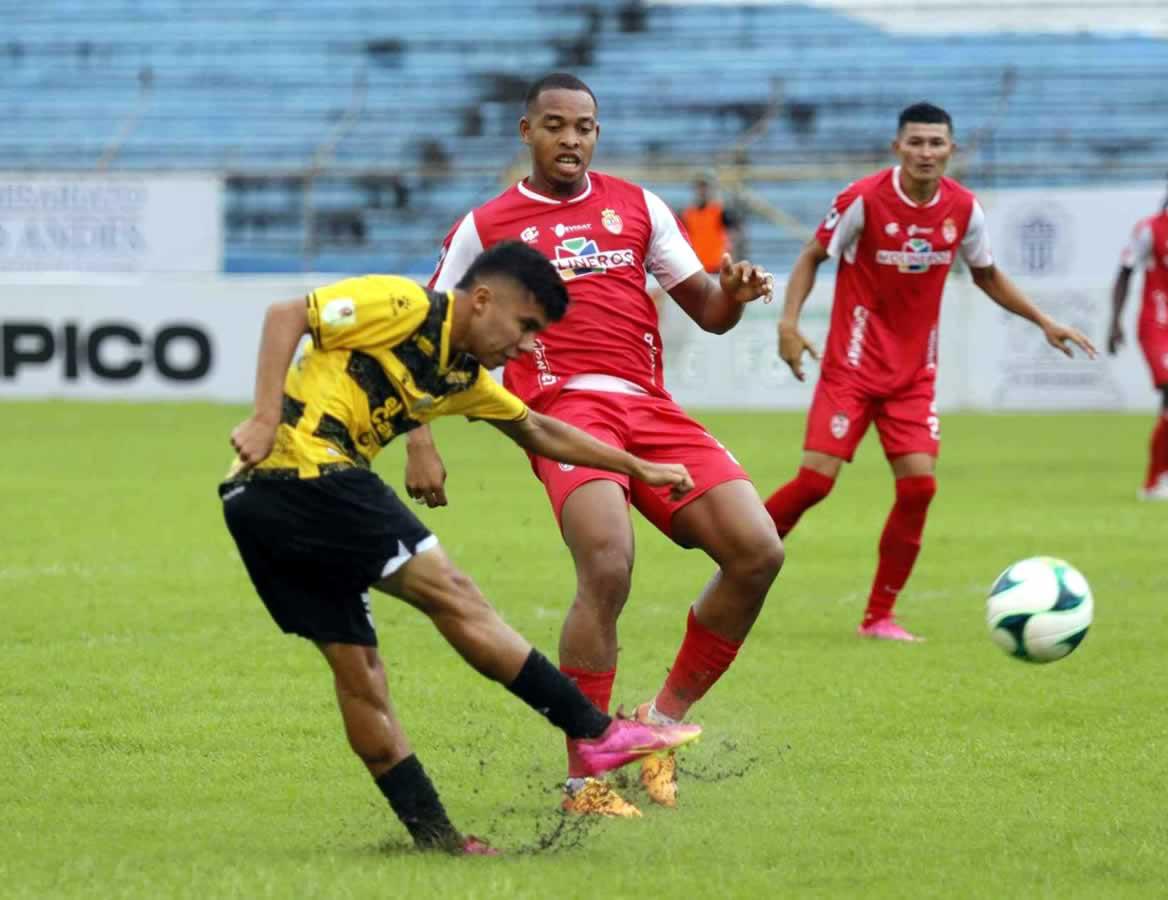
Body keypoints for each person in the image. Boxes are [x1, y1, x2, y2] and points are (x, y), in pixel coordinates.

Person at [219, 241, 703, 855]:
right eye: (525, 325)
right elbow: (286, 314)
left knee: (362, 679)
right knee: (454, 594)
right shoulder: (405, 305)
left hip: (258, 503)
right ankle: (596, 731)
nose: (526, 345)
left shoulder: (461, 380)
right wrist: (266, 416)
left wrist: (638, 466)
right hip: (307, 474)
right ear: (482, 300)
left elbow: (538, 428)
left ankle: (438, 839)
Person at [409, 72, 782, 817]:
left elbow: (709, 313)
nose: (570, 139)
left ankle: (659, 721)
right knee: (608, 562)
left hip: (651, 407)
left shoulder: (638, 207)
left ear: (597, 134)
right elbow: (426, 332)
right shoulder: (487, 226)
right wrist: (419, 437)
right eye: (554, 125)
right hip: (563, 411)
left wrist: (735, 294)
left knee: (758, 551)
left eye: (583, 127)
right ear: (527, 132)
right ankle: (585, 778)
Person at [766, 101, 1096, 642]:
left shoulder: (963, 209)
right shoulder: (863, 199)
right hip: (851, 367)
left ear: (951, 149)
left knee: (919, 487)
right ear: (897, 146)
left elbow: (986, 275)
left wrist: (1043, 321)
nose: (926, 152)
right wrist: (788, 323)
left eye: (936, 143)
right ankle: (740, 555)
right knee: (814, 483)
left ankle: (879, 617)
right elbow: (810, 256)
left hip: (913, 376)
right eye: (916, 142)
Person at [1108, 159, 1168, 501]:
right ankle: (1163, 477)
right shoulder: (1150, 229)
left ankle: (1161, 478)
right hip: (1158, 325)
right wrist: (1115, 321)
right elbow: (1125, 272)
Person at [680, 172, 742, 274]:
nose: (702, 191)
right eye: (699, 187)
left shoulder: (721, 212)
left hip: (717, 267)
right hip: (697, 268)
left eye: (705, 187)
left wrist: (731, 262)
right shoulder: (687, 214)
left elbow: (734, 237)